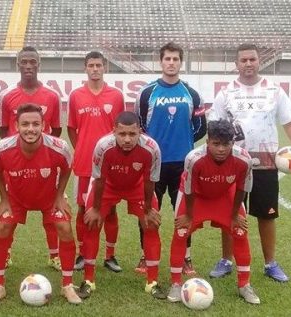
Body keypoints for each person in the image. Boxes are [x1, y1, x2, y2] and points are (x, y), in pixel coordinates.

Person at [208, 43, 291, 282]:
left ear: (259, 62)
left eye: (252, 60)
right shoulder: (226, 93)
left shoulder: (274, 91)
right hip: (232, 165)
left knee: (267, 215)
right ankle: (226, 260)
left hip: (266, 165)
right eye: (243, 60)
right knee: (229, 214)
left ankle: (270, 263)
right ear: (236, 64)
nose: (248, 64)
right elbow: (214, 127)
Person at [0, 104, 82, 305]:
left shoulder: (59, 147)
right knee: (2, 226)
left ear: (44, 125)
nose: (31, 128)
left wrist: (59, 197)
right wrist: (4, 199)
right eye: (25, 124)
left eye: (36, 124)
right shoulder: (3, 148)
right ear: (16, 126)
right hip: (16, 198)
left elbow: (66, 169)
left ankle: (67, 285)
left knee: (64, 228)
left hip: (49, 198)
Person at [166, 119, 260, 305]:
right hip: (196, 198)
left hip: (225, 196)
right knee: (181, 232)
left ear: (233, 143)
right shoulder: (194, 158)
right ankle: (176, 283)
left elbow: (242, 188)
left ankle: (244, 285)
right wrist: (189, 216)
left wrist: (234, 216)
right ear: (207, 141)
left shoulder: (243, 159)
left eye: (226, 144)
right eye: (216, 144)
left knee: (240, 232)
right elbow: (189, 188)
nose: (221, 149)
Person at [135, 42, 206, 275]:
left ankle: (185, 257)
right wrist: (154, 148)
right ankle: (146, 256)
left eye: (176, 59)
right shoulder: (147, 92)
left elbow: (201, 127)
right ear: (161, 61)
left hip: (182, 164)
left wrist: (184, 144)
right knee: (148, 210)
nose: (171, 63)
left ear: (181, 62)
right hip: (153, 164)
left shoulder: (191, 94)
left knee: (183, 212)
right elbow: (140, 127)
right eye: (168, 59)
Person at [79, 111, 165, 300]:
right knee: (92, 224)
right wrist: (95, 208)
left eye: (132, 134)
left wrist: (149, 209)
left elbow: (150, 181)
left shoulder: (152, 148)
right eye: (122, 134)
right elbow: (99, 179)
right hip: (108, 186)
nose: (127, 139)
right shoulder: (103, 146)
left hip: (137, 187)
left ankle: (152, 282)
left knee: (151, 226)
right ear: (114, 131)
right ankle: (88, 280)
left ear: (140, 132)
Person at [0, 46, 63, 270]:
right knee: (10, 213)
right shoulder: (6, 96)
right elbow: (3, 130)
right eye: (23, 61)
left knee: (51, 212)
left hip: (45, 163)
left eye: (32, 62)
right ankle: (5, 254)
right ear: (18, 65)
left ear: (38, 65)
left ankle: (55, 255)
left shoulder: (52, 96)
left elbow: (56, 130)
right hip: (16, 164)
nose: (28, 66)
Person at [67, 51, 126, 272]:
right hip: (84, 163)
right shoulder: (76, 95)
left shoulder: (116, 95)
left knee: (109, 210)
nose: (95, 69)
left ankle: (110, 255)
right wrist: (83, 148)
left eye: (98, 65)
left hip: (110, 164)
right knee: (83, 209)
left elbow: (122, 130)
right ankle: (82, 254)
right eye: (91, 65)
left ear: (105, 68)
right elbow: (72, 129)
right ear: (85, 68)